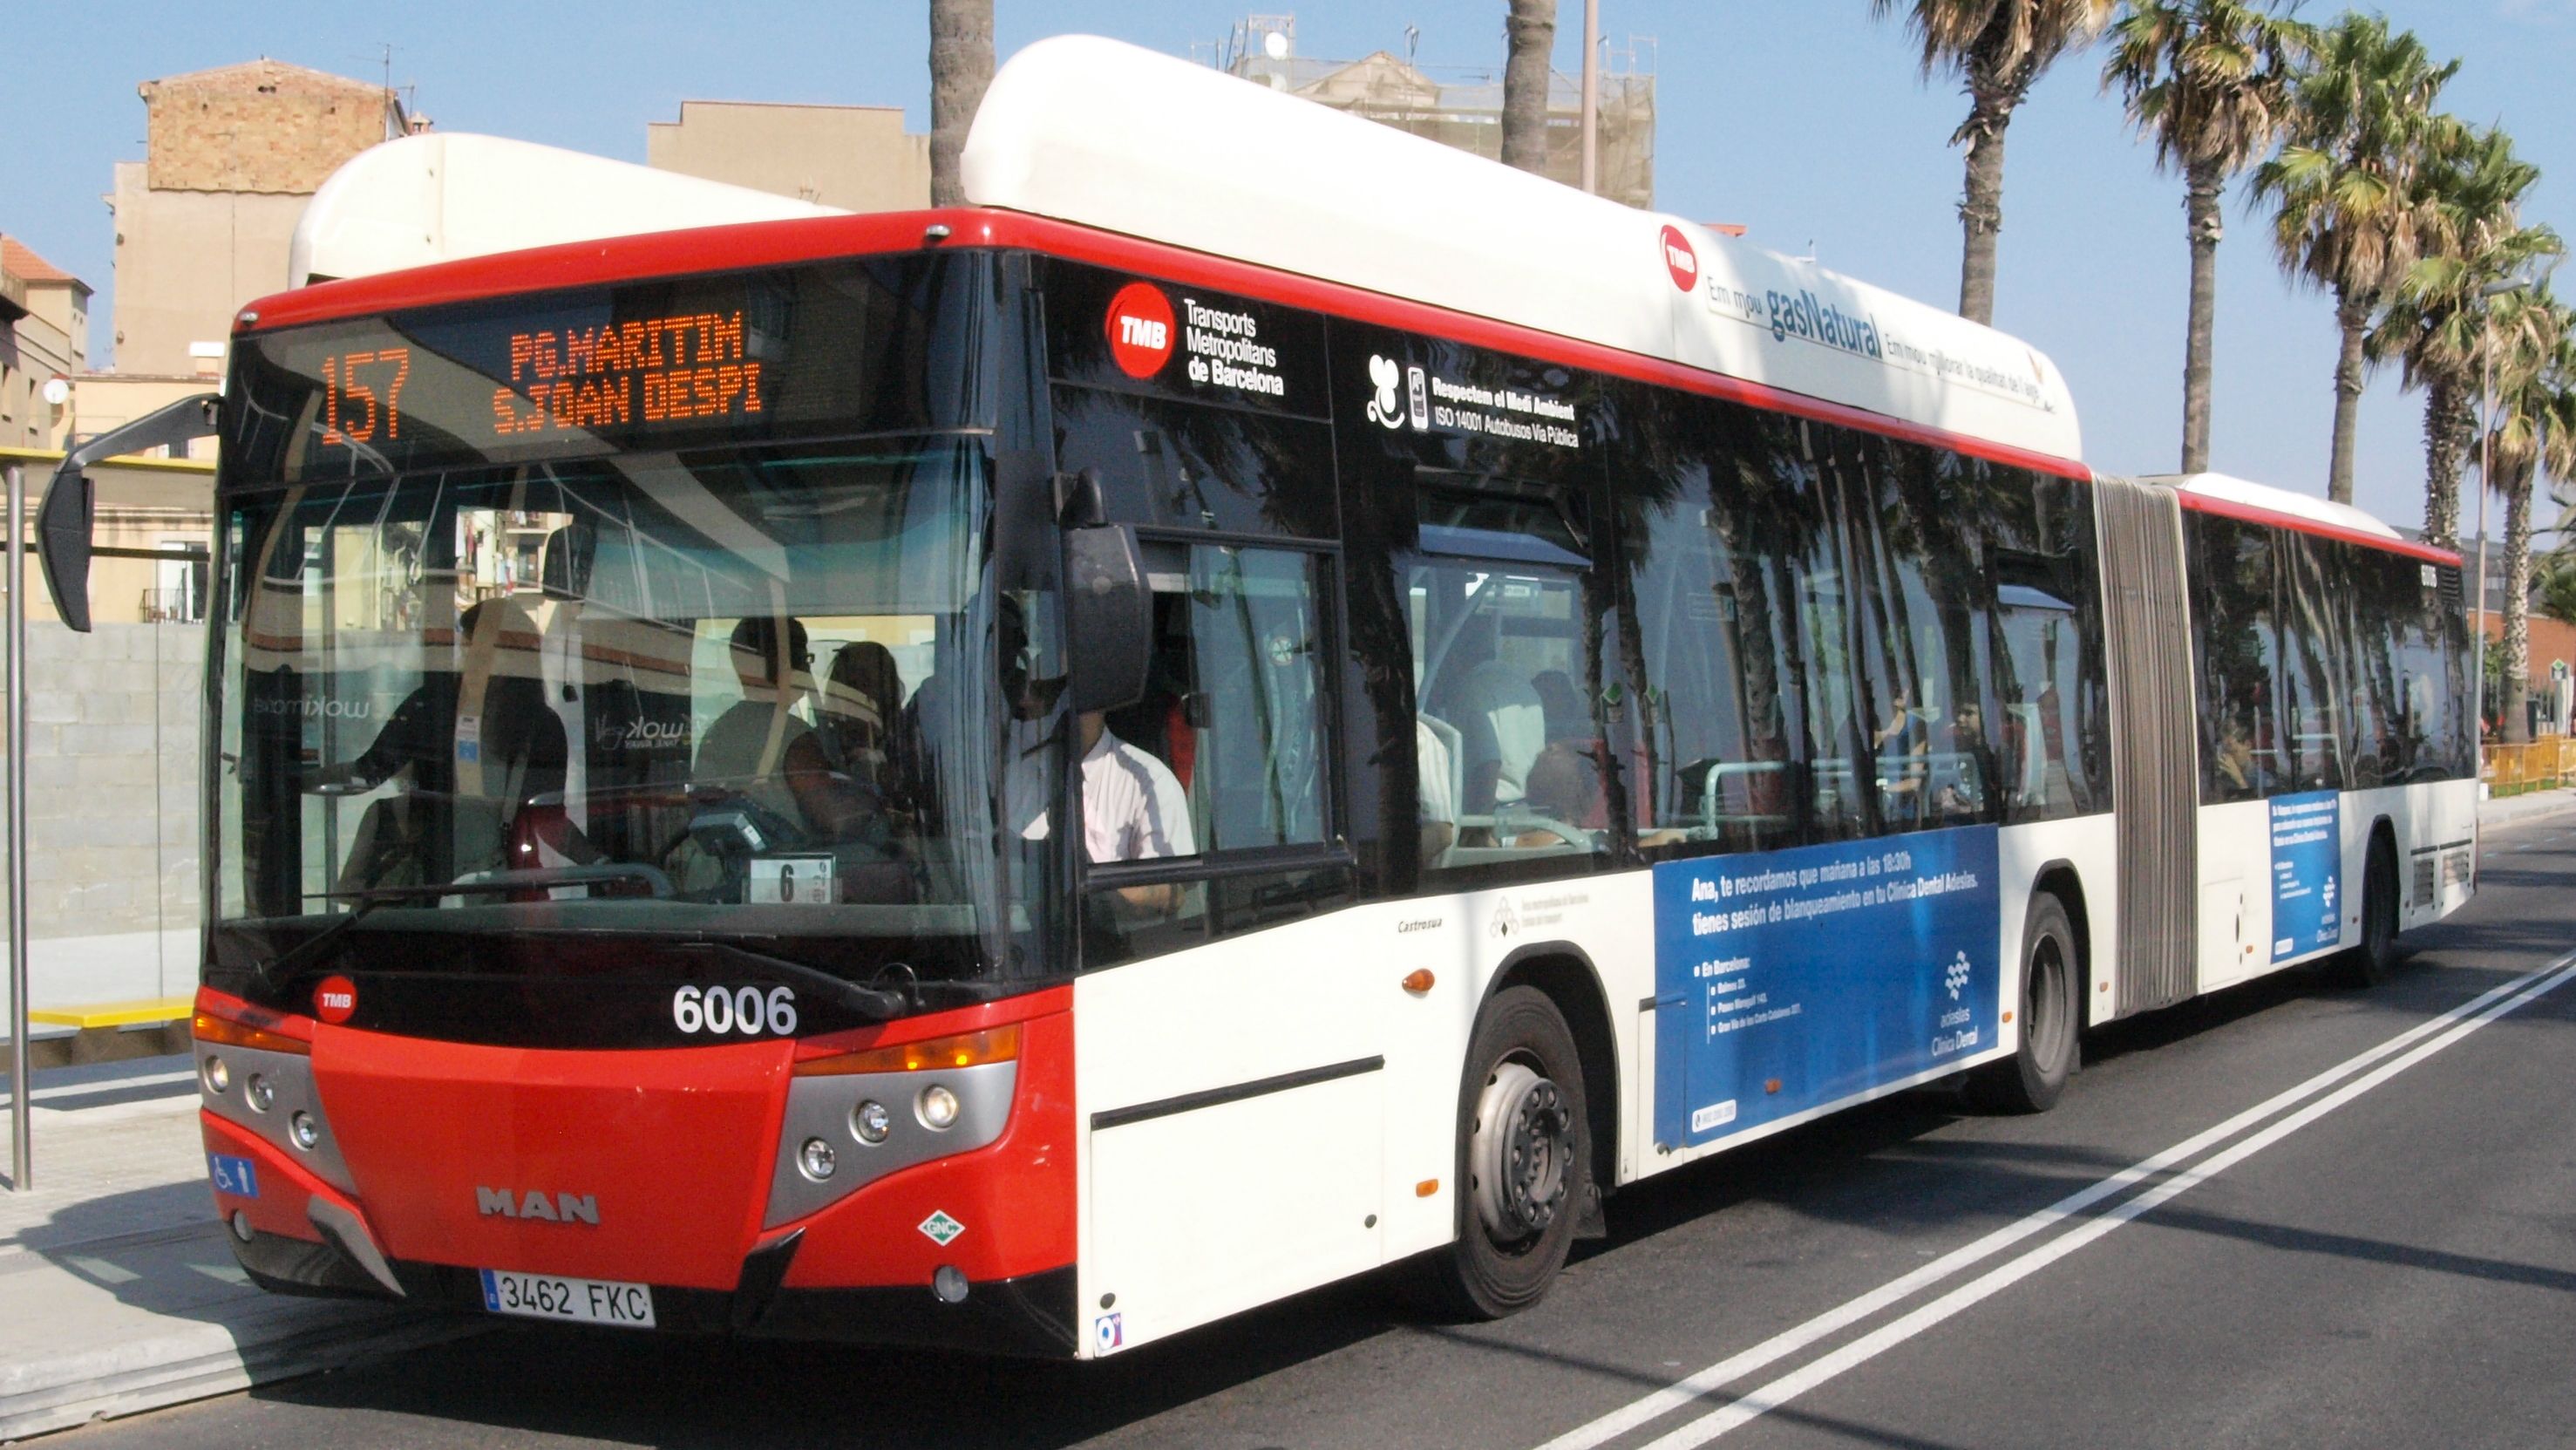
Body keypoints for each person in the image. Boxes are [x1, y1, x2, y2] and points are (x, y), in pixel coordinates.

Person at [695, 616, 879, 846]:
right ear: (782, 663)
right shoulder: (793, 736)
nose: (807, 667)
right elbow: (833, 819)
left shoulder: (721, 730)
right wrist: (875, 800)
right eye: (803, 658)